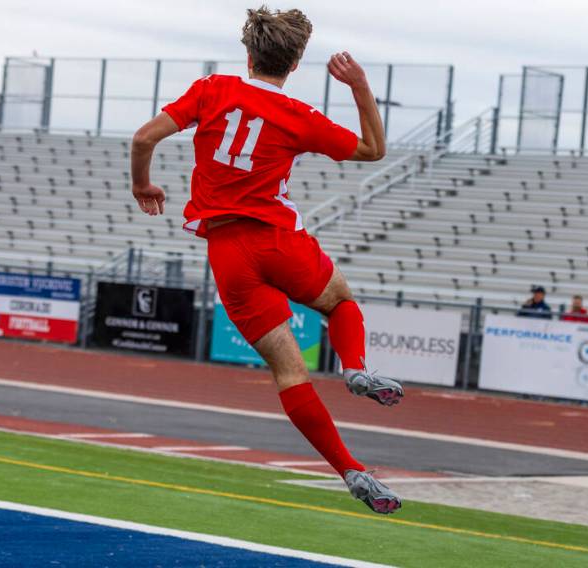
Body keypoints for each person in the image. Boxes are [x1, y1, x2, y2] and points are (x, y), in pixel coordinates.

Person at [128, 6, 403, 515]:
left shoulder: (211, 90)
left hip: (229, 253)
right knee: (341, 302)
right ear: (295, 63)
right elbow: (372, 149)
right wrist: (360, 86)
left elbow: (144, 137)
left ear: (248, 53)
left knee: (288, 372)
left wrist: (142, 184)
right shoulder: (299, 116)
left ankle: (351, 470)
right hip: (279, 240)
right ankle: (357, 368)